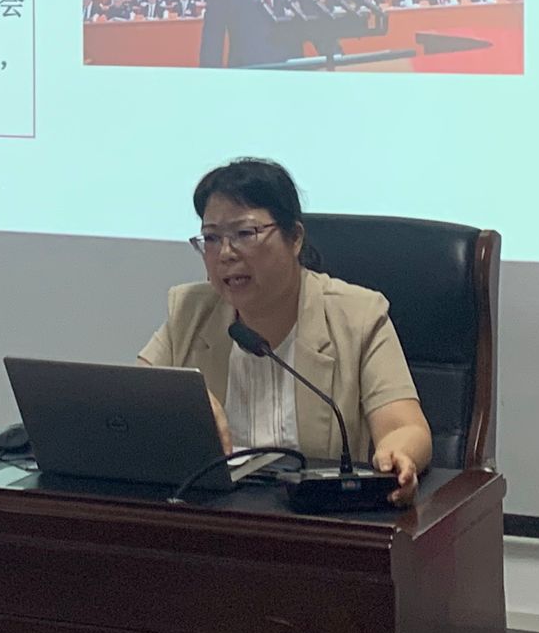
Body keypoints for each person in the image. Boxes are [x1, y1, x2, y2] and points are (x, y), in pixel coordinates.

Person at [138, 158, 431, 503]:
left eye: (245, 234)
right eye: (212, 238)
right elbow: (133, 400)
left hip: (315, 514)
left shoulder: (357, 316)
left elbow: (405, 426)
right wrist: (184, 402)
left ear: (294, 238)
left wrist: (397, 455)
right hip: (213, 512)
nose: (225, 254)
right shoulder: (190, 312)